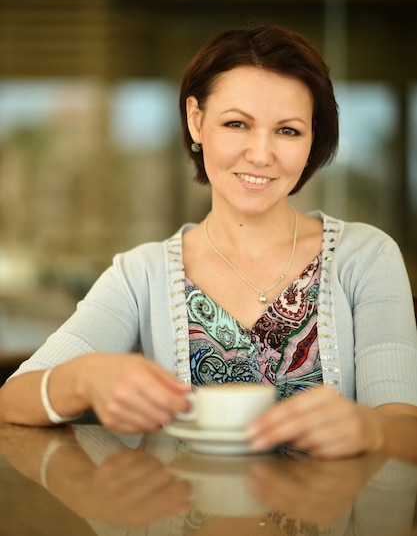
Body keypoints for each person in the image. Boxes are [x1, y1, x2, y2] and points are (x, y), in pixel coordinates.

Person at [1, 24, 416, 461]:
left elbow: (405, 430)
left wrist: (370, 428)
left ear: (313, 138)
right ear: (196, 121)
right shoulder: (142, 274)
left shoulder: (366, 258)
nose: (260, 154)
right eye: (237, 124)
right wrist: (83, 378)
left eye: (288, 131)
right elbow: (12, 399)